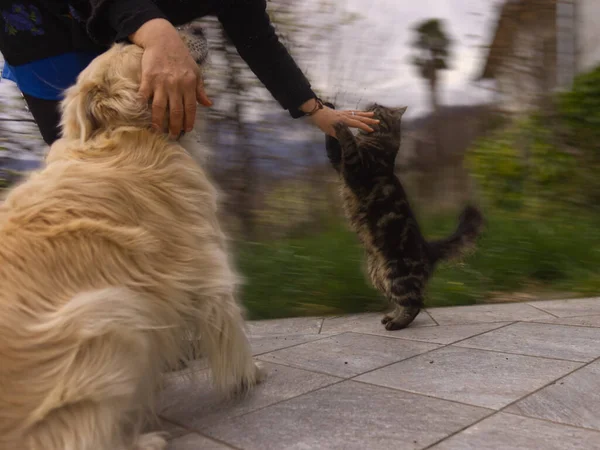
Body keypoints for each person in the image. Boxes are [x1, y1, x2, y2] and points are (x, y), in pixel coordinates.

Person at [0, 0, 378, 146]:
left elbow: (256, 39)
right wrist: (156, 32)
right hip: (42, 29)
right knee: (81, 163)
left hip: (119, 29)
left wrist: (315, 109)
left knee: (147, 164)